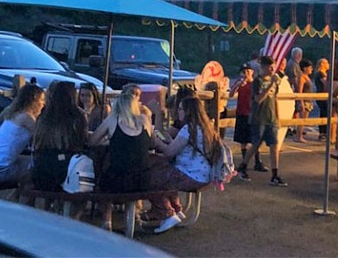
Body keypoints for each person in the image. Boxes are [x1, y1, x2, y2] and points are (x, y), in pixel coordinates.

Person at [148, 96, 220, 233]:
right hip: (203, 174)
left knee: (149, 177)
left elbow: (169, 152)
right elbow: (179, 146)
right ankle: (176, 209)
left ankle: (167, 213)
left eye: (180, 109)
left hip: (192, 175)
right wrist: (169, 141)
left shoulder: (189, 128)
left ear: (188, 111)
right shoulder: (205, 127)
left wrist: (156, 142)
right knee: (164, 171)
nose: (178, 112)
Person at [89, 91, 153, 232]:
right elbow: (151, 142)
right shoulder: (145, 120)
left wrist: (109, 141)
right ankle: (135, 216)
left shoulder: (113, 119)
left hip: (119, 180)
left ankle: (107, 221)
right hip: (143, 180)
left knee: (103, 181)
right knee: (134, 170)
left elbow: (92, 141)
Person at [238, 55, 288, 186]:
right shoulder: (257, 81)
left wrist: (277, 117)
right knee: (255, 145)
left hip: (271, 118)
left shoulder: (274, 81)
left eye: (273, 67)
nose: (272, 70)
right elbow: (258, 99)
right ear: (263, 67)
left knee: (274, 145)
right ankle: (243, 165)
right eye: (270, 67)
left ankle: (275, 174)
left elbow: (275, 99)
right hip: (258, 118)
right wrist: (270, 85)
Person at [32, 82, 88, 193]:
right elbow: (83, 140)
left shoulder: (44, 115)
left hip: (40, 170)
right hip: (67, 172)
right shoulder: (77, 116)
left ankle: (46, 208)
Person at [0, 84, 45, 185]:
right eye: (42, 100)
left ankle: (21, 196)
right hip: (3, 169)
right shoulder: (26, 117)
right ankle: (26, 196)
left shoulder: (12, 113)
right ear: (34, 101)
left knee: (29, 161)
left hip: (2, 162)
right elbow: (43, 138)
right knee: (39, 165)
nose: (43, 103)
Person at [230, 62, 266, 173]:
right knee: (243, 140)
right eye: (244, 71)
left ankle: (257, 161)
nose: (246, 73)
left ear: (252, 72)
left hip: (252, 113)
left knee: (255, 139)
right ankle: (244, 162)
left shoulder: (255, 83)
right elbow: (231, 94)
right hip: (242, 113)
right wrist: (238, 85)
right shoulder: (240, 83)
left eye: (248, 71)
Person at [295, 59, 315, 143]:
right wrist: (301, 102)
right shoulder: (301, 77)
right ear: (304, 68)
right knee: (302, 119)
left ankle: (299, 135)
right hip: (304, 101)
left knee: (304, 119)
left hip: (308, 100)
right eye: (310, 67)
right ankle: (298, 136)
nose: (311, 69)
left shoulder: (307, 77)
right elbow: (299, 91)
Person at [314, 58, 330, 141]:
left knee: (325, 113)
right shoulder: (320, 74)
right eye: (327, 63)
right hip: (321, 96)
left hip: (323, 96)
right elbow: (325, 84)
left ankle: (324, 132)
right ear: (322, 64)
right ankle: (322, 133)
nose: (328, 64)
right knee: (324, 113)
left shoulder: (323, 73)